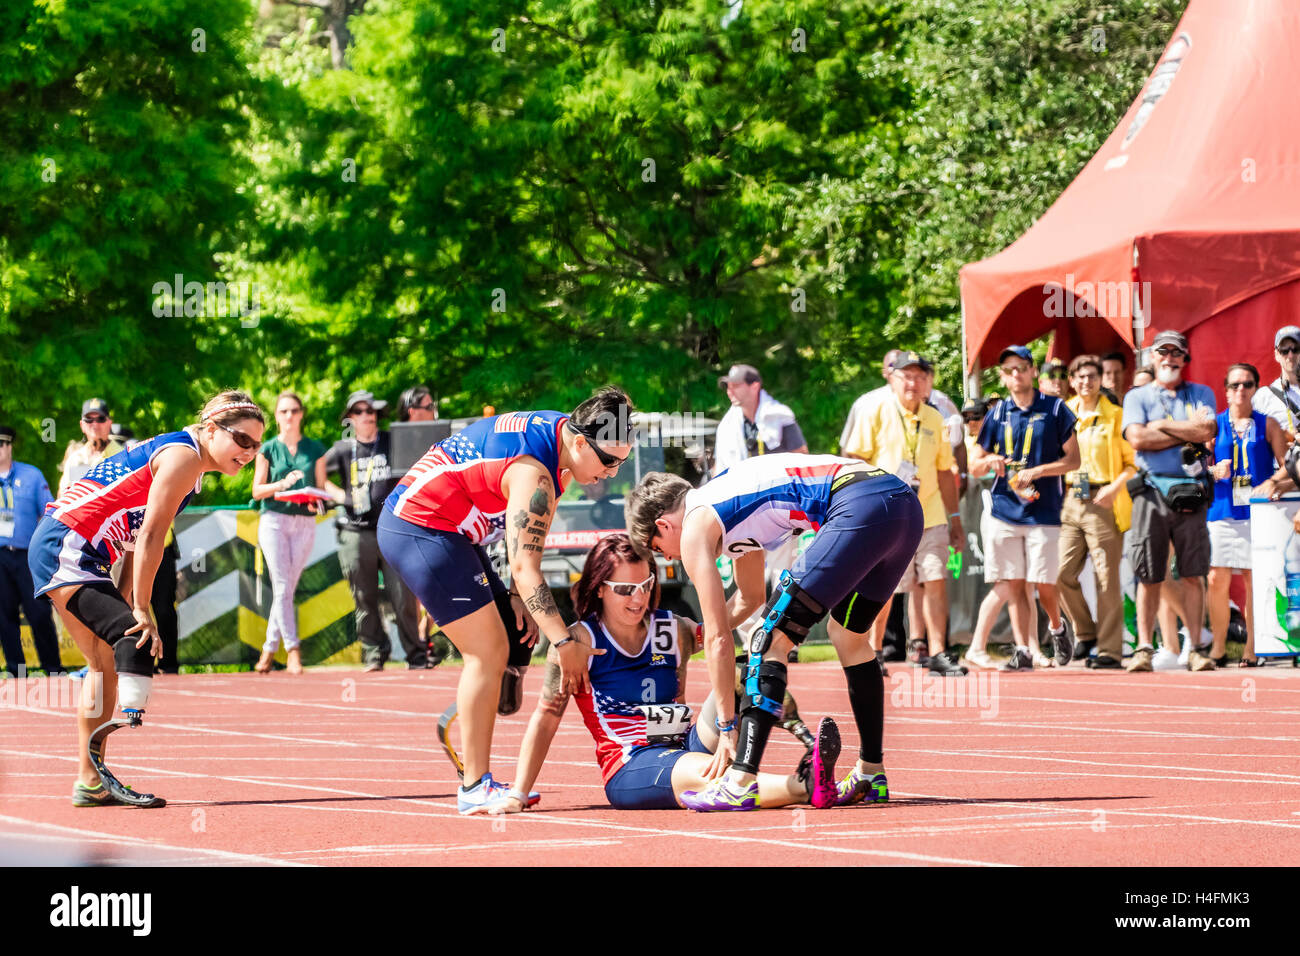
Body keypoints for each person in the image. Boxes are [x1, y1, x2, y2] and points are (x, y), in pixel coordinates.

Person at [378, 387, 637, 813]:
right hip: (419, 524)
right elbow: (524, 567)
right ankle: (474, 787)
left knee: (517, 638)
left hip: (456, 528)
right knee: (488, 650)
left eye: (621, 462)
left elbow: (526, 557)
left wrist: (519, 599)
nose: (612, 472)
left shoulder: (564, 441)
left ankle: (465, 714)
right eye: (609, 461)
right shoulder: (536, 473)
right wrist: (566, 643)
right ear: (578, 442)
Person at [625, 453, 923, 811]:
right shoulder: (723, 502)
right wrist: (699, 636)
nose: (671, 558)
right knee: (848, 637)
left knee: (768, 643)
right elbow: (750, 598)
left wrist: (725, 726)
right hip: (901, 504)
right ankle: (871, 772)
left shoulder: (694, 525)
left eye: (660, 550)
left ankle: (741, 780)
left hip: (860, 505)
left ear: (663, 525)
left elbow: (723, 640)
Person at [29, 391, 265, 806]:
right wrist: (140, 608)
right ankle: (93, 771)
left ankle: (90, 780)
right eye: (242, 440)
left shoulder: (190, 467)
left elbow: (139, 539)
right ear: (211, 429)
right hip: (66, 545)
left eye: (257, 445)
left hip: (82, 551)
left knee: (103, 662)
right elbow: (153, 534)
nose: (249, 452)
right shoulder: (183, 458)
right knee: (131, 637)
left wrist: (127, 596)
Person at [494, 534, 837, 812]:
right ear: (599, 588)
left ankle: (809, 751)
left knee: (745, 669)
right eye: (625, 589)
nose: (639, 597)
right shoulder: (579, 644)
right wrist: (518, 793)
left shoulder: (672, 630)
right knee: (706, 776)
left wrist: (747, 534)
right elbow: (546, 718)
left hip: (686, 742)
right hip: (631, 763)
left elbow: (740, 607)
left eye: (645, 584)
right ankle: (805, 785)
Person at [841, 352, 966, 676]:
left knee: (936, 579)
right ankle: (875, 651)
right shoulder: (875, 410)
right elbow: (854, 458)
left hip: (930, 513)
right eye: (906, 376)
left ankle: (938, 652)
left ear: (928, 383)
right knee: (886, 587)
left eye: (919, 377)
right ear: (891, 378)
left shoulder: (936, 418)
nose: (913, 383)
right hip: (888, 515)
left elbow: (943, 472)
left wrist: (955, 519)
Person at [964, 345, 1080, 671]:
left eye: (1022, 368)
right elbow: (974, 464)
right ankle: (1023, 649)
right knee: (1014, 584)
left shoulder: (1056, 409)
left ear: (1033, 372)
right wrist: (990, 460)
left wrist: (1039, 471)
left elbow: (1074, 460)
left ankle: (1056, 627)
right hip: (1005, 508)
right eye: (1009, 370)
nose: (1016, 374)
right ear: (1003, 377)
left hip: (1043, 510)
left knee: (1044, 584)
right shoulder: (998, 413)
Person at [1121, 330, 1218, 672]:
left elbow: (1206, 431)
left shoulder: (1201, 392)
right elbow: (1136, 437)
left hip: (1192, 492)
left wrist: (1160, 426)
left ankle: (1194, 648)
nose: (1170, 358)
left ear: (1185, 358)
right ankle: (1144, 648)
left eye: (1176, 353)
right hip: (1150, 493)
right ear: (1152, 357)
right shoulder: (1136, 396)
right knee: (1149, 574)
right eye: (1163, 352)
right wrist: (1181, 429)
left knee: (1194, 573)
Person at [322, 390, 423, 672]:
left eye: (371, 411)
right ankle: (374, 653)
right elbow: (317, 473)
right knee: (363, 596)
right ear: (350, 418)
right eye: (359, 412)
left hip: (393, 530)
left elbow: (418, 465)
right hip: (356, 531)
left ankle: (416, 654)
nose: (366, 416)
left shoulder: (391, 442)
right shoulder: (342, 449)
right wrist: (341, 495)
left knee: (402, 595)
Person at [1056, 355, 1137, 669]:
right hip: (1070, 500)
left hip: (1103, 499)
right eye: (1080, 377)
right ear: (1072, 381)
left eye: (1092, 376)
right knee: (1059, 573)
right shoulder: (1064, 413)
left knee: (1106, 580)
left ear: (1101, 379)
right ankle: (1085, 631)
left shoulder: (1116, 415)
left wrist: (1114, 488)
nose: (1086, 382)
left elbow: (1133, 464)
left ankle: (1109, 651)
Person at [1206, 364, 1287, 667]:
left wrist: (1273, 481)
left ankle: (1253, 647)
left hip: (1258, 513)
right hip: (1223, 509)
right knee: (1216, 578)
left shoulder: (1268, 425)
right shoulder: (1214, 425)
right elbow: (1197, 468)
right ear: (1225, 390)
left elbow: (1286, 465)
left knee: (1255, 580)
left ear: (1256, 389)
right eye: (1235, 385)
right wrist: (1214, 470)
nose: (1241, 390)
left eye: (1248, 384)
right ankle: (1218, 646)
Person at [250, 391, 328, 675]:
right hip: (273, 520)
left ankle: (269, 649)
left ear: (302, 414)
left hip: (304, 522)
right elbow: (257, 490)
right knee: (282, 586)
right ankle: (293, 650)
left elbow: (322, 489)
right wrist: (281, 485)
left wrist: (319, 498)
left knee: (286, 589)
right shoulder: (268, 448)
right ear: (277, 416)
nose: (289, 416)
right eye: (284, 411)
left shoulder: (315, 448)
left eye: (294, 410)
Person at [0, 426, 63, 676]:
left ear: (10, 446)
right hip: (0, 557)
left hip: (28, 556)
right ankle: (17, 671)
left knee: (38, 612)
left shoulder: (32, 475)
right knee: (4, 616)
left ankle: (53, 668)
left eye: (3, 444)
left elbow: (48, 515)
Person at [713, 364, 807, 475]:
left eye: (736, 386)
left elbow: (801, 458)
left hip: (779, 487)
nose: (730, 391)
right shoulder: (727, 426)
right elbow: (719, 467)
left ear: (754, 386)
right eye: (728, 387)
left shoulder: (779, 416)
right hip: (744, 488)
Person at [58, 399, 126, 498]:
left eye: (101, 419)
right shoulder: (74, 459)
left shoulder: (123, 456)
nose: (95, 424)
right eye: (89, 419)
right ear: (82, 425)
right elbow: (62, 496)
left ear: (110, 423)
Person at [1252, 325, 1300, 442]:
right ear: (1277, 354)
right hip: (1282, 460)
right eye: (1284, 351)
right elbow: (1252, 438)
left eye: (1296, 349)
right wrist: (1284, 437)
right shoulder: (1264, 396)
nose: (1290, 355)